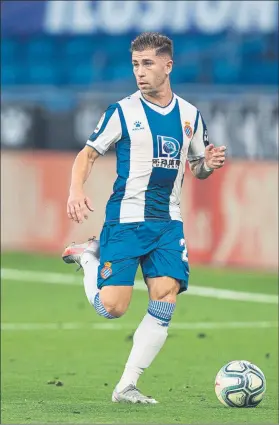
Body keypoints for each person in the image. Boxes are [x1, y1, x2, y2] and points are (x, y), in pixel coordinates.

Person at [62, 32, 226, 404]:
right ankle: (89, 258)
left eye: (148, 63)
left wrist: (208, 165)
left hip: (168, 222)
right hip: (126, 220)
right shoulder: (122, 111)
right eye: (136, 64)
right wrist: (75, 191)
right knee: (114, 308)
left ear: (168, 65)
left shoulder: (189, 115)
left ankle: (127, 386)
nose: (140, 72)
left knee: (165, 297)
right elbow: (87, 155)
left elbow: (197, 166)